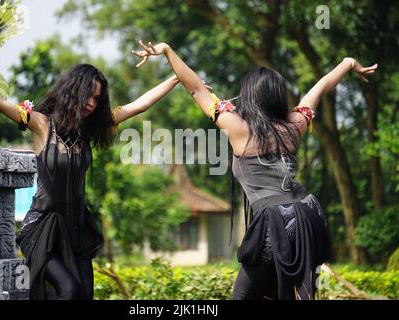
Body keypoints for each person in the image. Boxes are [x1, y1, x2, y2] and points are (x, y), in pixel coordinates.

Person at [132, 41, 377, 300]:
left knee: (243, 296)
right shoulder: (294, 125)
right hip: (309, 214)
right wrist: (349, 63)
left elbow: (194, 89)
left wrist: (168, 51)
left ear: (249, 96)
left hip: (277, 222)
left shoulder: (238, 129)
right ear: (278, 96)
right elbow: (319, 89)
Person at [0, 64, 180, 300]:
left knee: (85, 295)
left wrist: (177, 77)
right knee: (70, 291)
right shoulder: (40, 124)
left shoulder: (88, 131)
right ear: (73, 90)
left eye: (96, 98)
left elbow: (139, 106)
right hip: (42, 227)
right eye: (88, 95)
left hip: (76, 228)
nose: (91, 102)